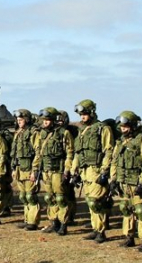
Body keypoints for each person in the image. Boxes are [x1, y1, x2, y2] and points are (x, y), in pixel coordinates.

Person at [110, 111, 142, 251]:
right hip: (123, 181)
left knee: (141, 210)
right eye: (121, 126)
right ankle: (128, 237)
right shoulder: (120, 142)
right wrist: (113, 179)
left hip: (137, 182)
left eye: (126, 126)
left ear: (133, 125)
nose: (123, 129)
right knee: (125, 208)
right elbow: (115, 161)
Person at [71, 99, 115, 243]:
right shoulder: (82, 131)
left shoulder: (102, 128)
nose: (82, 117)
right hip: (85, 171)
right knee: (90, 202)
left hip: (96, 170)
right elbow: (78, 152)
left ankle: (101, 231)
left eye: (84, 114)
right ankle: (96, 228)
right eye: (80, 114)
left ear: (91, 112)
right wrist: (74, 171)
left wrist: (104, 171)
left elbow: (109, 150)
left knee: (96, 202)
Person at [33, 107, 75, 236]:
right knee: (49, 197)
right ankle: (54, 221)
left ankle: (63, 224)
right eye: (44, 120)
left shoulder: (63, 133)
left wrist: (67, 170)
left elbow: (70, 152)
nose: (45, 122)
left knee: (61, 198)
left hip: (59, 170)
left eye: (48, 120)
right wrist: (35, 169)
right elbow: (38, 153)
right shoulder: (41, 134)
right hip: (46, 170)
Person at [11, 109, 41, 231]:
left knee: (30, 196)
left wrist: (35, 170)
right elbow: (15, 154)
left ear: (27, 119)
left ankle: (33, 222)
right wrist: (13, 168)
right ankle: (27, 219)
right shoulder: (18, 133)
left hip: (29, 168)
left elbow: (38, 152)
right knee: (23, 196)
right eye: (18, 120)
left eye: (21, 120)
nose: (19, 122)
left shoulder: (34, 133)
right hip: (19, 168)